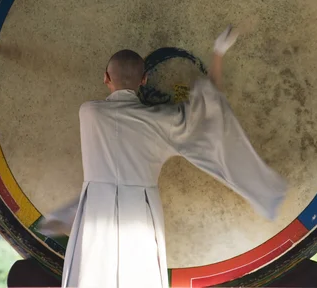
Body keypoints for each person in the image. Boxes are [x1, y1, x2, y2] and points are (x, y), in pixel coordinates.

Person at [39, 26, 288, 288]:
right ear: (144, 80)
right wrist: (218, 53)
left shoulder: (88, 113)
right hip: (140, 214)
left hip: (95, 214)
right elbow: (210, 106)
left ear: (105, 78)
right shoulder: (163, 122)